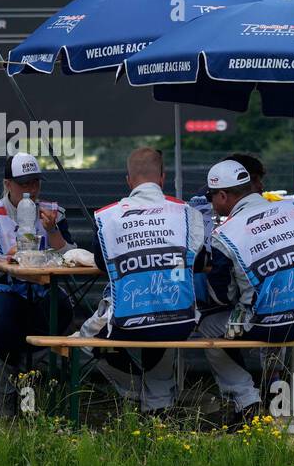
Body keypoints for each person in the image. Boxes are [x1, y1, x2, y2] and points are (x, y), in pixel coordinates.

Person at [196, 158, 294, 424]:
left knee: (207, 324)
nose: (211, 202)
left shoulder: (224, 235)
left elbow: (222, 296)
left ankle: (246, 401)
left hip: (270, 327)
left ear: (223, 196)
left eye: (211, 196)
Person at [74, 147, 202, 416]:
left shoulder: (108, 217)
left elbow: (102, 264)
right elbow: (199, 260)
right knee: (163, 327)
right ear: (163, 178)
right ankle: (158, 404)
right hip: (181, 320)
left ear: (129, 181)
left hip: (129, 321)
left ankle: (136, 392)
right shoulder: (188, 213)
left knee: (85, 340)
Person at [0, 152, 75, 417]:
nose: (31, 189)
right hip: (1, 287)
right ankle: (5, 395)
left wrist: (53, 232)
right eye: (24, 183)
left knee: (64, 311)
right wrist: (8, 259)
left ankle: (8, 377)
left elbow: (73, 258)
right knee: (4, 324)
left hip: (43, 287)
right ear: (8, 184)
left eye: (35, 182)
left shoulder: (54, 213)